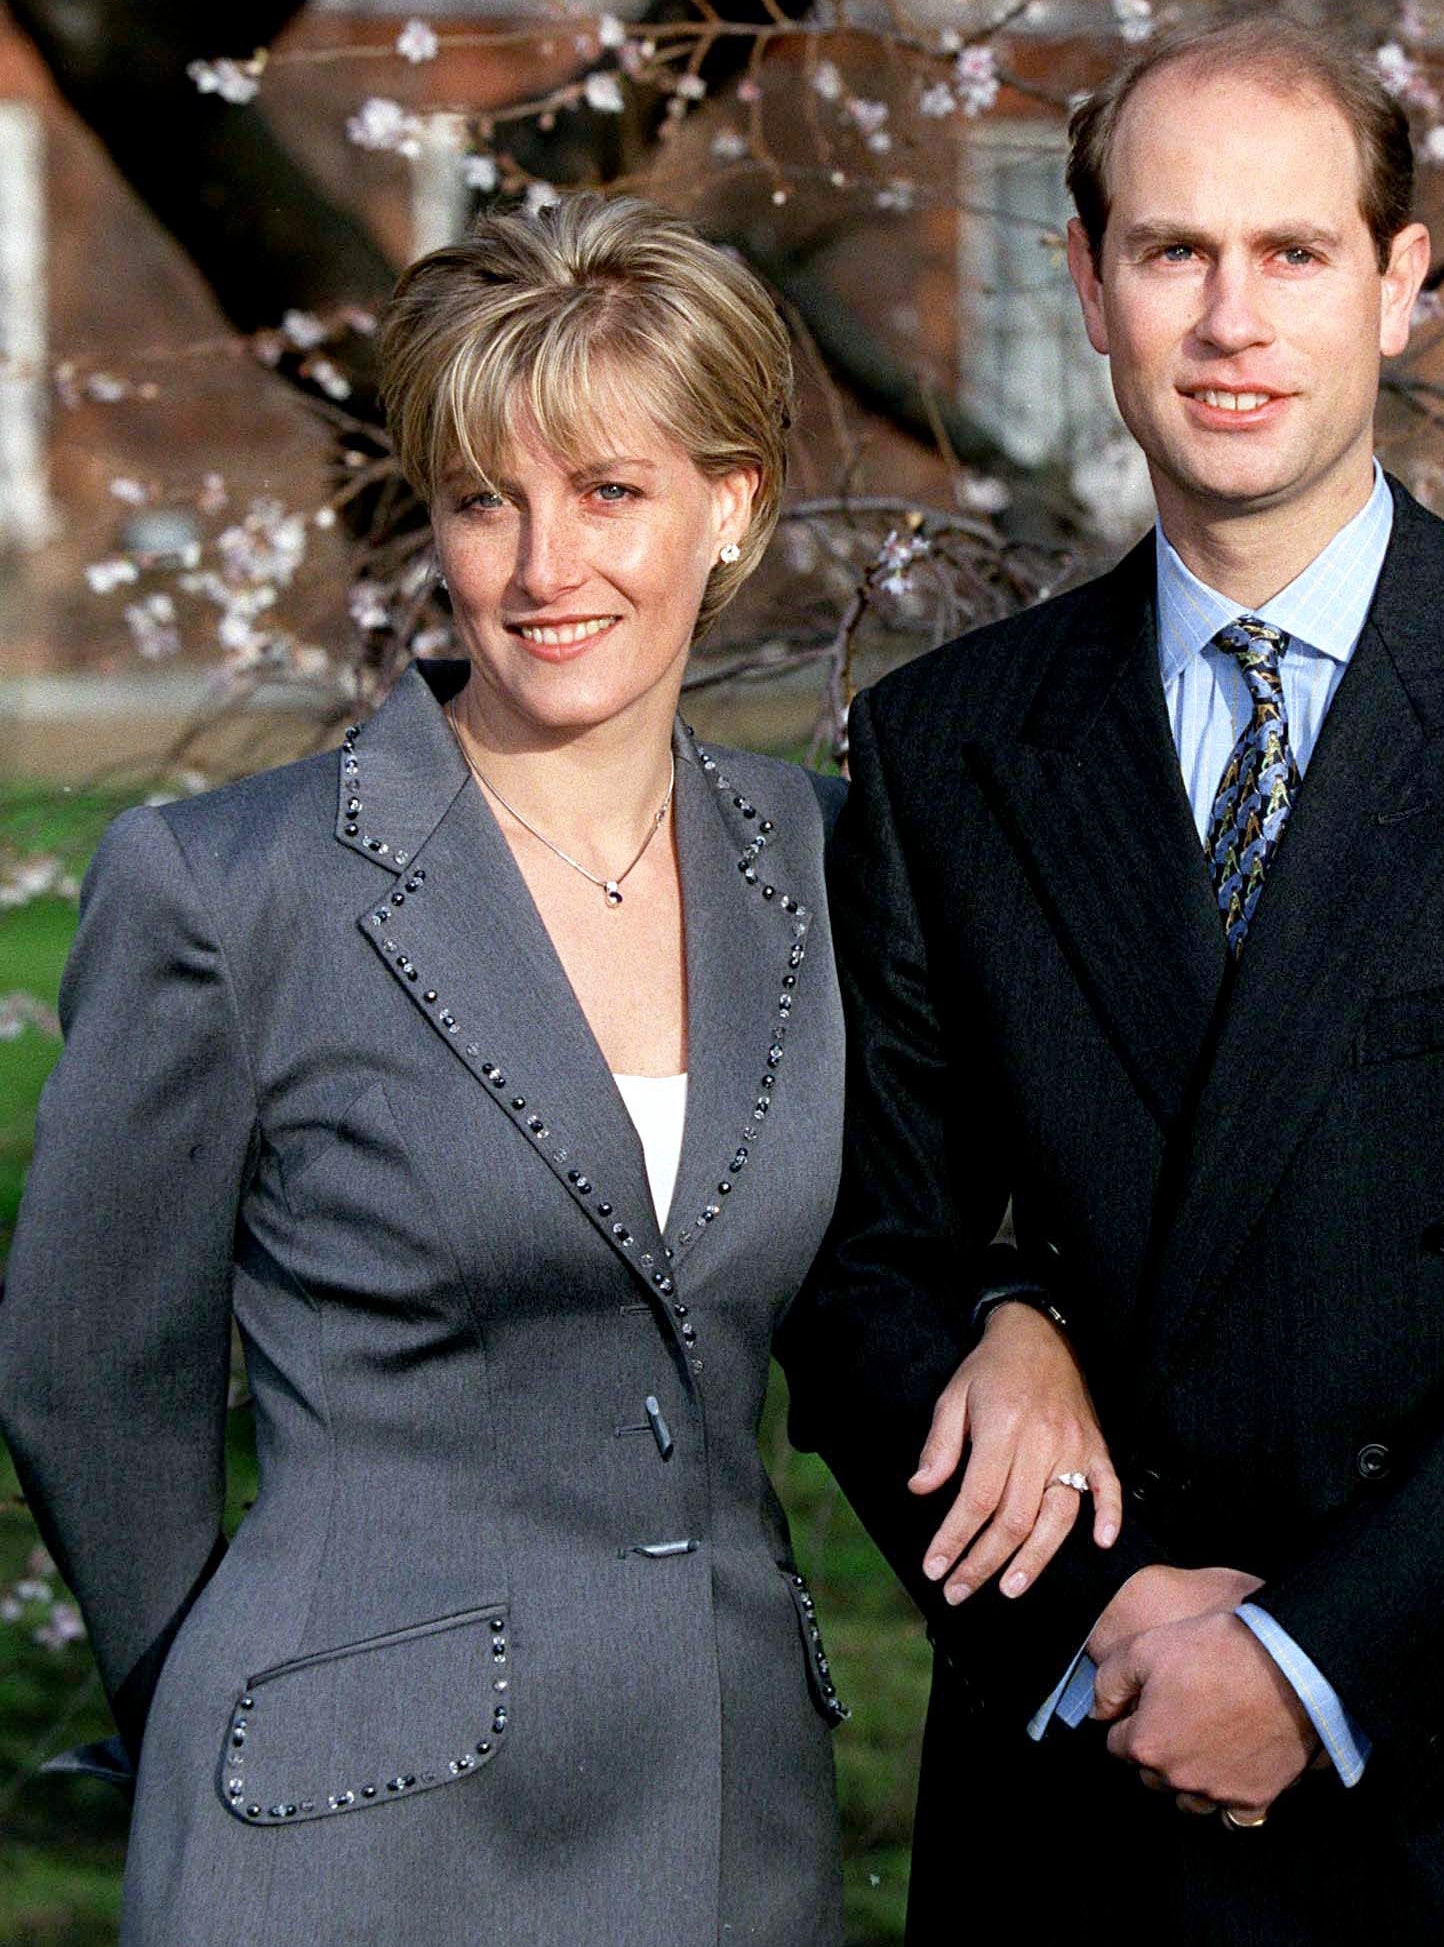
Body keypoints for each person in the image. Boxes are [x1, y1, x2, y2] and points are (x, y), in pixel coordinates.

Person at [777, 18, 1444, 1944]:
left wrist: (1311, 1662)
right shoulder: (945, 749)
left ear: (1403, 285)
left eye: (1296, 253)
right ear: (1087, 286)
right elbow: (857, 1256)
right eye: (1173, 253)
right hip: (1100, 1764)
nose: (1231, 318)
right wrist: (1111, 1611)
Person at [0, 194, 1116, 1947]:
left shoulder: (823, 859)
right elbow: (84, 1379)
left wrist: (1023, 1315)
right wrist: (247, 1705)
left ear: (730, 506)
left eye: (608, 493)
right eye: (482, 501)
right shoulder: (233, 889)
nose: (543, 568)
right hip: (337, 1837)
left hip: (726, 1807)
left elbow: (935, 1208)